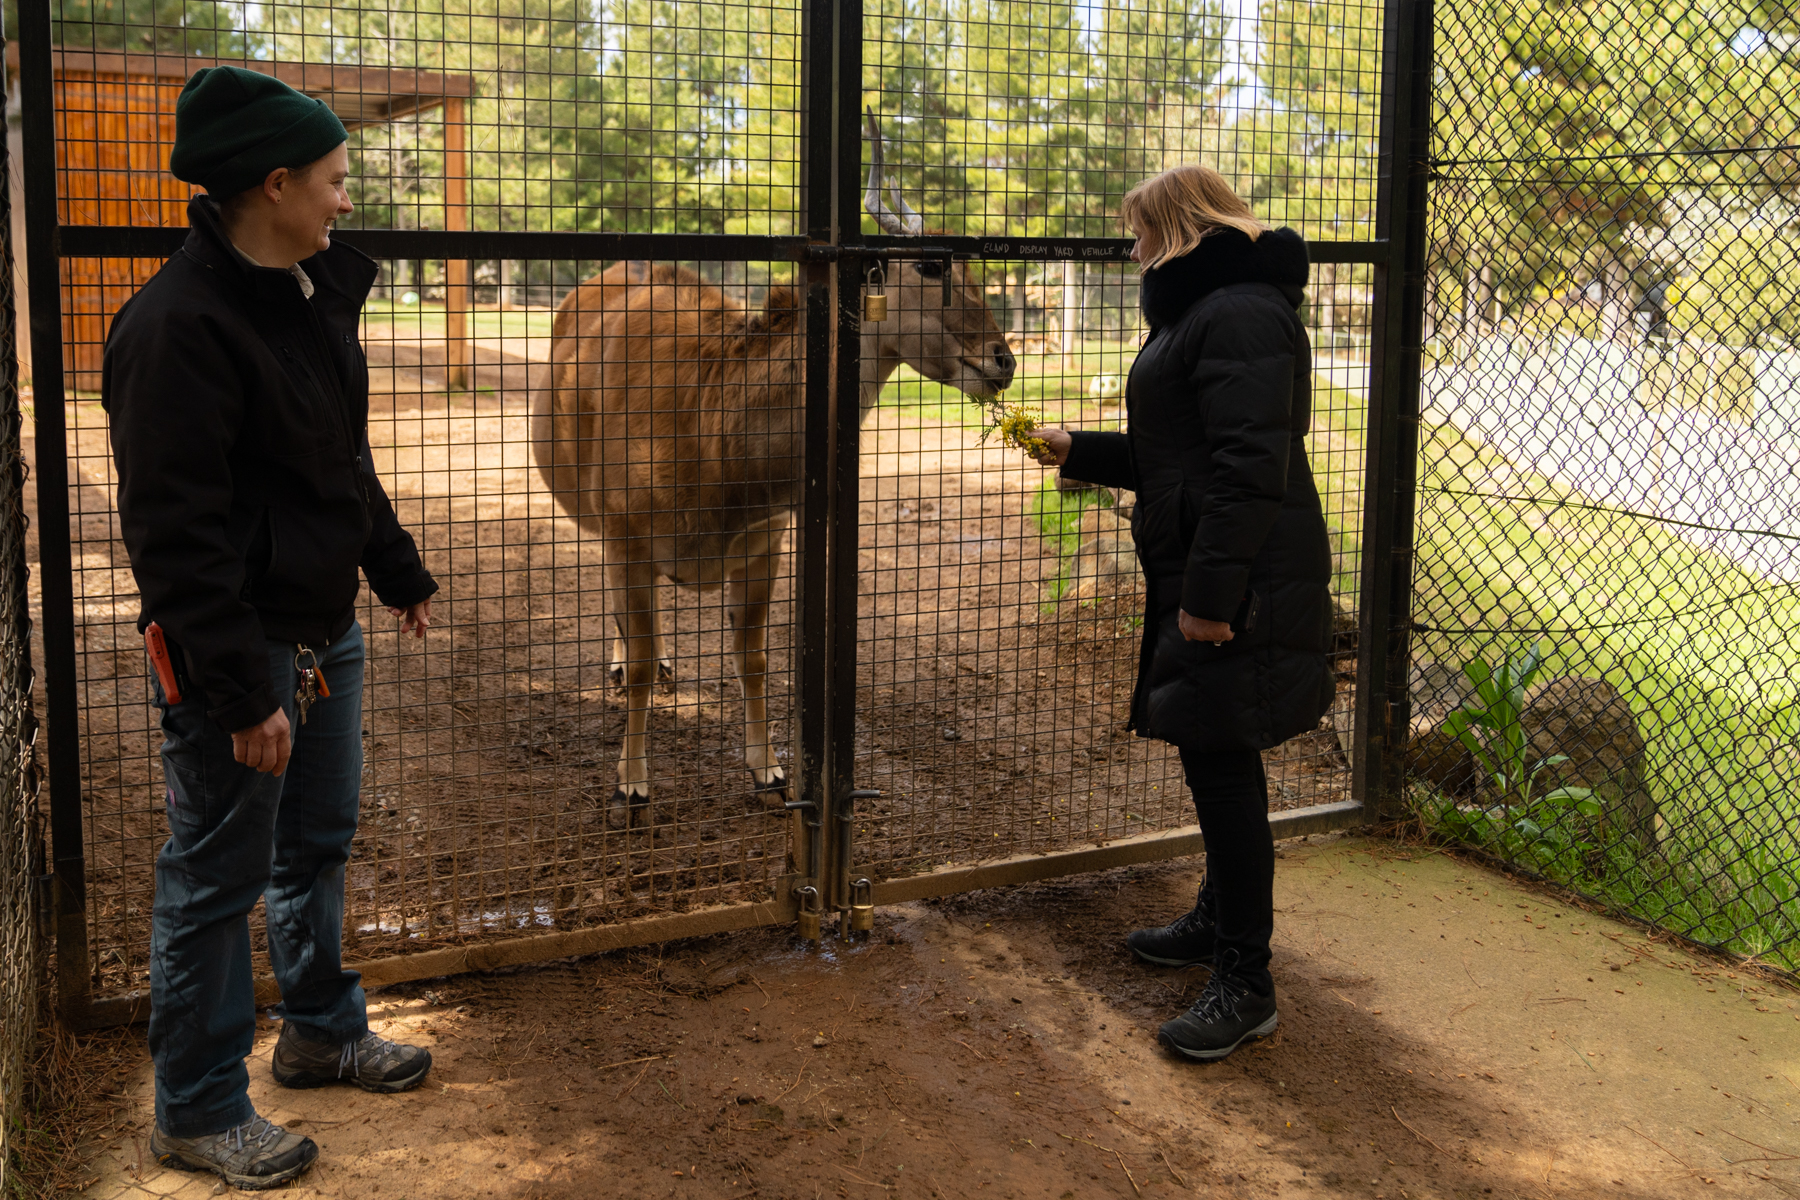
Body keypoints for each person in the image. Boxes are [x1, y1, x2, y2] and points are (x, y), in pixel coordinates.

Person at [104, 66, 440, 1190]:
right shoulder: (175, 329)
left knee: (314, 845)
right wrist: (241, 689)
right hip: (241, 659)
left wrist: (391, 567)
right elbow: (174, 538)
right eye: (337, 181)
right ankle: (195, 1107)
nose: (348, 204)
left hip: (321, 636)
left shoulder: (302, 299)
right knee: (213, 876)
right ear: (277, 180)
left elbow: (338, 459)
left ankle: (318, 1028)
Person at [1028, 165, 1332, 1061]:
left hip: (1241, 581)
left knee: (1226, 768)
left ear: (1177, 226)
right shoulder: (1211, 309)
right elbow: (1185, 458)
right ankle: (1217, 920)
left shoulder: (1236, 310)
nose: (1131, 251)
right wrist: (1079, 447)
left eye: (1138, 232)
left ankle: (1247, 982)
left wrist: (1207, 603)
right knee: (1214, 761)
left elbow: (1248, 474)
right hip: (1224, 568)